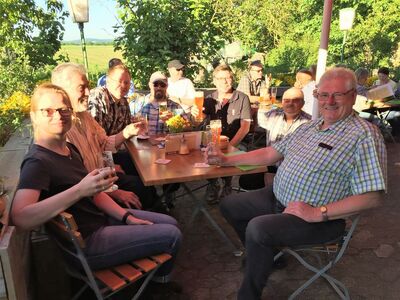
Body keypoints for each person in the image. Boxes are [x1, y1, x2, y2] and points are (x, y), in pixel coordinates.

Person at [207, 67, 387, 300]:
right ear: (317, 96)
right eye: (324, 95)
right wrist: (226, 160)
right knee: (230, 205)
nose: (329, 101)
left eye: (338, 95)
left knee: (258, 229)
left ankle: (248, 294)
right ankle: (270, 257)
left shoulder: (364, 135)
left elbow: (372, 197)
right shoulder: (311, 126)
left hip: (319, 220)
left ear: (353, 95)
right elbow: (270, 154)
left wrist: (317, 212)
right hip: (277, 197)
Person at [11, 83, 182, 298]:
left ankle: (155, 282)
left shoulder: (67, 149)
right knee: (172, 235)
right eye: (48, 110)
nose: (59, 116)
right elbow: (20, 217)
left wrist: (127, 217)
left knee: (171, 222)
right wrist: (79, 190)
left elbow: (95, 193)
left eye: (64, 109)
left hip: (101, 222)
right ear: (34, 116)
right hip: (89, 245)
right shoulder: (38, 161)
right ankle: (156, 289)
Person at [51, 63, 161, 211]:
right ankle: (155, 224)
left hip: (102, 176)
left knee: (142, 176)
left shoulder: (84, 116)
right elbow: (78, 180)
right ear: (61, 91)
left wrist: (127, 132)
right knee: (139, 186)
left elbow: (103, 144)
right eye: (81, 88)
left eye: (127, 82)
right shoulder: (60, 129)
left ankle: (158, 217)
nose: (89, 92)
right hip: (92, 197)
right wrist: (115, 192)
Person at [192, 64, 252, 203]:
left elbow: (245, 128)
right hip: (213, 140)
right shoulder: (209, 99)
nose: (224, 81)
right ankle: (213, 184)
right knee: (205, 153)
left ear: (232, 79)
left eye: (228, 77)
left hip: (236, 142)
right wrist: (195, 115)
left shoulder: (242, 98)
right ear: (214, 81)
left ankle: (227, 184)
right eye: (220, 78)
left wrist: (229, 147)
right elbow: (197, 122)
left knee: (230, 154)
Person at [239, 87, 311, 190]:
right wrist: (264, 102)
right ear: (282, 102)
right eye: (287, 100)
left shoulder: (309, 123)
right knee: (246, 180)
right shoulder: (274, 114)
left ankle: (275, 189)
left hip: (292, 169)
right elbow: (261, 119)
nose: (290, 103)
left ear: (303, 103)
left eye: (296, 100)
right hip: (271, 164)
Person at [89, 64, 138, 176]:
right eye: (119, 81)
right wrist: (109, 165)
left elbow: (127, 133)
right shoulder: (98, 96)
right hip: (97, 160)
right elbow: (95, 141)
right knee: (137, 183)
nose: (123, 85)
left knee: (141, 165)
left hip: (114, 153)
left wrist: (136, 127)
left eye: (126, 83)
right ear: (108, 81)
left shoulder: (124, 103)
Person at [140, 71, 188, 136]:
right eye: (156, 84)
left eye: (162, 85)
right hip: (147, 144)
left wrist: (173, 121)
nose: (159, 88)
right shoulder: (142, 105)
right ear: (150, 85)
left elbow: (188, 128)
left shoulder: (175, 107)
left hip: (168, 144)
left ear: (166, 86)